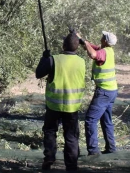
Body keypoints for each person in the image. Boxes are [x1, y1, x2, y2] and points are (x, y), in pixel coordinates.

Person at [35, 31, 86, 172]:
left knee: (50, 131)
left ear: (63, 45)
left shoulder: (53, 59)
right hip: (72, 107)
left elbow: (38, 74)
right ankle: (71, 166)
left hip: (54, 106)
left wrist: (44, 59)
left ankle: (49, 157)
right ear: (76, 47)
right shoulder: (82, 62)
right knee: (71, 137)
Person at [77, 31, 118, 156]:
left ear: (105, 40)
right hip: (111, 91)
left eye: (102, 37)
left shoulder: (103, 52)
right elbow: (91, 47)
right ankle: (111, 148)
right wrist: (80, 39)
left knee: (90, 120)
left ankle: (93, 151)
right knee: (106, 120)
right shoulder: (108, 50)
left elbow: (93, 54)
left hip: (104, 92)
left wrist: (84, 43)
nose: (101, 37)